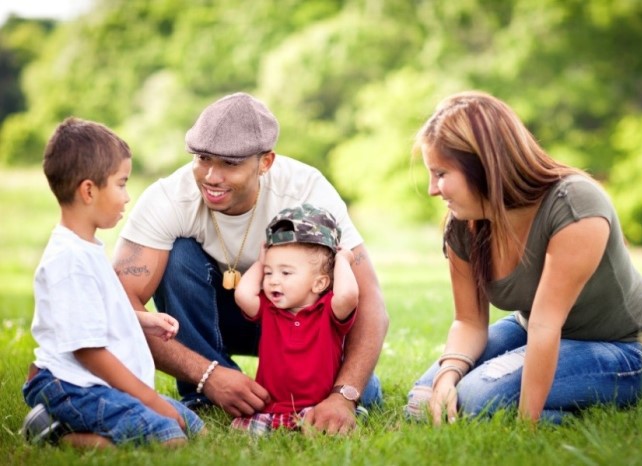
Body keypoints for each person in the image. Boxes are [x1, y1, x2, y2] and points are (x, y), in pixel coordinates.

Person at [113, 92, 388, 434]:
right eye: (203, 158)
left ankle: (313, 385)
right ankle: (207, 393)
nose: (211, 176)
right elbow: (118, 305)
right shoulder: (170, 198)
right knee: (178, 254)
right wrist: (208, 376)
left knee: (367, 391)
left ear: (266, 163)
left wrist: (344, 394)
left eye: (230, 163)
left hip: (301, 323)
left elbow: (370, 300)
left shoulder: (306, 191)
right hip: (215, 315)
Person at [405, 91, 642, 425]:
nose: (432, 189)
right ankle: (531, 405)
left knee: (474, 399)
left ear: (484, 167)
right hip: (531, 330)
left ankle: (556, 417)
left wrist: (526, 425)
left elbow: (547, 324)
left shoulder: (574, 205)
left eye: (441, 174)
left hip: (626, 348)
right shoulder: (463, 226)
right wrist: (447, 376)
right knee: (423, 399)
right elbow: (469, 321)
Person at [21, 117, 204, 448]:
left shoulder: (86, 248)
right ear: (89, 190)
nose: (127, 197)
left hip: (95, 383)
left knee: (194, 427)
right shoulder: (70, 261)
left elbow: (94, 313)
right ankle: (54, 432)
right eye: (121, 184)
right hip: (73, 384)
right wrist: (150, 399)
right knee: (169, 440)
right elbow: (89, 351)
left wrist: (144, 320)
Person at [231, 203, 362, 434]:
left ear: (319, 283)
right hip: (273, 407)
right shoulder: (270, 310)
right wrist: (261, 262)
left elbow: (349, 295)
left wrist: (343, 260)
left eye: (286, 273)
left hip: (318, 406)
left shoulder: (328, 311)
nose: (272, 280)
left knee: (317, 429)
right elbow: (242, 294)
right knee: (245, 429)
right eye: (269, 272)